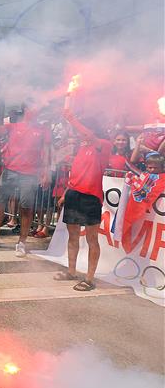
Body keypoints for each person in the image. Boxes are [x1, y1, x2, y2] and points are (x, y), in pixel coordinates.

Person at [0, 105, 51, 257]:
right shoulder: (13, 126)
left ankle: (21, 243)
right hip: (10, 171)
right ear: (26, 110)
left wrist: (46, 173)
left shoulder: (43, 130)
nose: (36, 111)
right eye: (33, 107)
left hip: (30, 174)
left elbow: (46, 152)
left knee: (26, 208)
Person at [54, 110, 111, 292]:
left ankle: (89, 278)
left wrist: (70, 117)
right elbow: (76, 173)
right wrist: (65, 193)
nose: (81, 134)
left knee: (92, 239)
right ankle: (71, 271)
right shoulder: (82, 147)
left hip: (91, 198)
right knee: (73, 236)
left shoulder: (103, 145)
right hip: (74, 195)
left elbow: (89, 135)